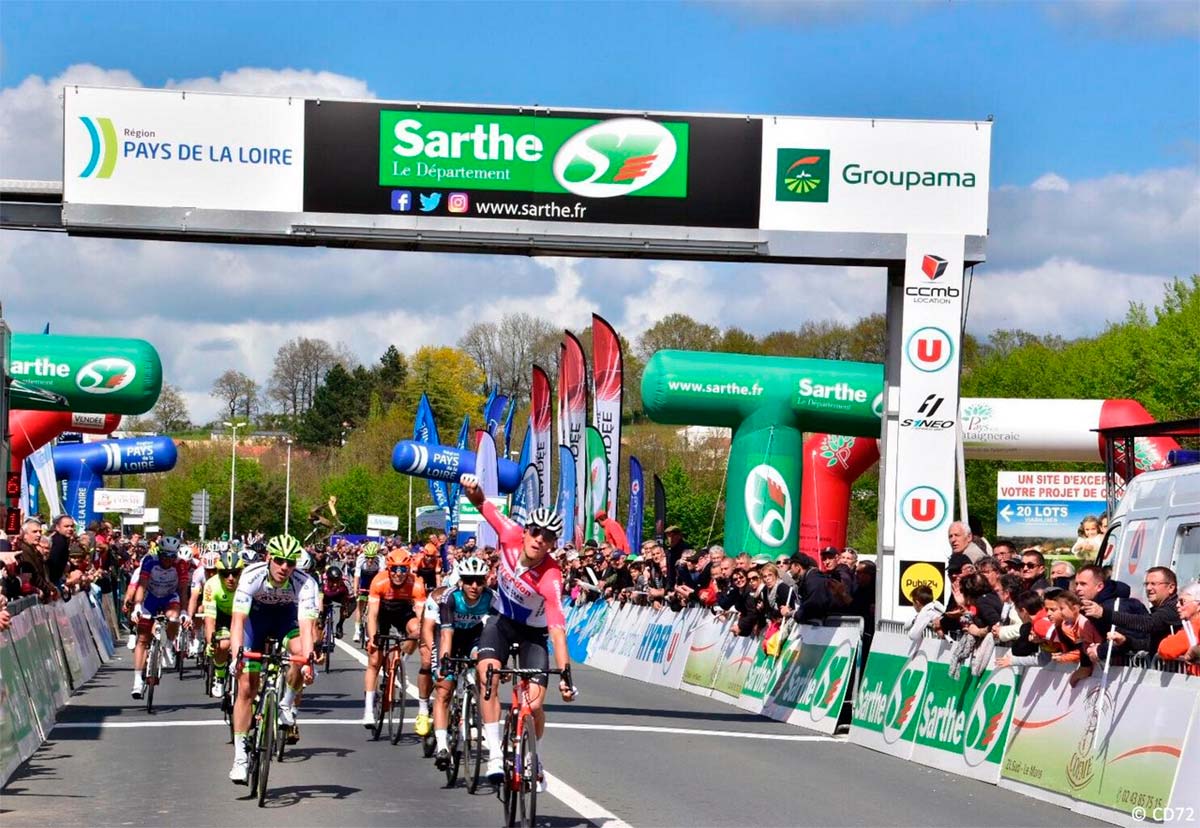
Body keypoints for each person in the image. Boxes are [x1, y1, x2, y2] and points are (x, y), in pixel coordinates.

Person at [460, 473, 575, 790]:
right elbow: (482, 503)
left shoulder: (552, 575)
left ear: (553, 544)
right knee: (488, 677)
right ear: (526, 532)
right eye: (536, 532)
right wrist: (473, 489)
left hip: (533, 633)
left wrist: (565, 672)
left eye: (548, 537)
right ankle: (495, 753)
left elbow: (556, 628)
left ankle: (532, 755)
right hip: (502, 620)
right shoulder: (509, 533)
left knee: (534, 703)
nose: (540, 539)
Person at [228, 535, 317, 784]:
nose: (284, 568)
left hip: (285, 620)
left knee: (300, 655)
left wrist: (308, 660)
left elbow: (307, 626)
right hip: (255, 621)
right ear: (269, 558)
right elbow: (238, 621)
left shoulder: (305, 583)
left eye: (290, 562)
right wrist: (237, 656)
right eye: (279, 561)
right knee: (246, 687)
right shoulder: (251, 576)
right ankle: (240, 758)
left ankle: (286, 703)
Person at [432, 556, 495, 770]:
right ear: (461, 581)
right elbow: (446, 634)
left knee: (483, 663)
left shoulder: (490, 598)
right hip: (451, 637)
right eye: (469, 581)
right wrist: (445, 662)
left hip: (474, 638)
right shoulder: (451, 597)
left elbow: (493, 633)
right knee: (444, 689)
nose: (474, 586)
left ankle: (474, 703)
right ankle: (441, 745)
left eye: (479, 581)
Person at [362, 549, 427, 728]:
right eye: (395, 569)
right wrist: (372, 638)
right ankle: (368, 710)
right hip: (383, 612)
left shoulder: (417, 584)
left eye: (403, 569)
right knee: (374, 660)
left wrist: (422, 636)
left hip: (403, 612)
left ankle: (400, 660)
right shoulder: (379, 580)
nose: (399, 574)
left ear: (409, 569)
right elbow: (373, 615)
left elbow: (421, 616)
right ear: (389, 569)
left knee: (417, 630)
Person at [126, 536, 190, 699]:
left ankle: (169, 642)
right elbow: (142, 584)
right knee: (142, 638)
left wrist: (184, 611)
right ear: (159, 553)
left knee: (174, 617)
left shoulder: (181, 564)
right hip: (151, 597)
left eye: (172, 556)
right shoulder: (149, 561)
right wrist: (138, 606)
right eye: (165, 555)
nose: (168, 560)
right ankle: (137, 681)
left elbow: (183, 590)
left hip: (169, 596)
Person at [1083, 566, 1181, 656]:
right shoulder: (1159, 610)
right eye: (1146, 584)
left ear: (1171, 588)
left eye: (1154, 584)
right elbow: (1151, 644)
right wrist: (1125, 641)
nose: (1148, 588)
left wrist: (1104, 613)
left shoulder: (1175, 607)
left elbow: (1147, 623)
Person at [202, 551, 242, 698]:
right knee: (223, 645)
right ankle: (219, 676)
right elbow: (209, 619)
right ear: (219, 573)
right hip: (222, 616)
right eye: (225, 574)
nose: (231, 578)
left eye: (235, 573)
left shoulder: (247, 583)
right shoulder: (211, 585)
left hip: (243, 616)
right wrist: (210, 643)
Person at [1044, 588, 1102, 687]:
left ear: (1075, 609)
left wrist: (1066, 658)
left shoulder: (1084, 624)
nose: (1048, 614)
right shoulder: (1065, 626)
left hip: (1101, 664)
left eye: (1061, 609)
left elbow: (1086, 649)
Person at [1156, 583, 1200, 674]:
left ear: (1198, 605)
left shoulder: (1195, 627)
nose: (1177, 605)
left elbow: (1167, 649)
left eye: (1182, 601)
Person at [353, 541, 384, 644]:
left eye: (372, 557)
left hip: (375, 578)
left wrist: (379, 592)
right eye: (368, 557)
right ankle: (357, 630)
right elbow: (357, 576)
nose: (370, 560)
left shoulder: (380, 559)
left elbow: (381, 577)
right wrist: (355, 590)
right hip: (364, 578)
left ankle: (369, 630)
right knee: (360, 604)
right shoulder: (361, 558)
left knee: (374, 605)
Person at [788, 553, 832, 623]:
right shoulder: (808, 579)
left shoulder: (814, 580)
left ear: (797, 566)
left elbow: (813, 606)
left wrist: (793, 613)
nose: (790, 571)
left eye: (791, 567)